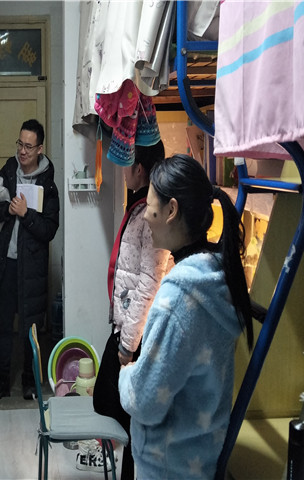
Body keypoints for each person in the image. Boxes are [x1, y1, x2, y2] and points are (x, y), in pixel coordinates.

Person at [118, 154, 253, 479]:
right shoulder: (215, 279)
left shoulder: (178, 297)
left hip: (166, 467)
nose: (146, 216)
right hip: (198, 459)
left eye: (151, 205)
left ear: (171, 210)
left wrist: (126, 374)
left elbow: (145, 401)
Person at [92, 140, 171, 479]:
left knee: (112, 403)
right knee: (113, 406)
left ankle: (130, 468)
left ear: (139, 169)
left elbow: (149, 284)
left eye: (127, 165)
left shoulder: (150, 214)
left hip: (135, 334)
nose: (123, 171)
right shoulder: (139, 207)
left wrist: (127, 343)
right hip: (124, 324)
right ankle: (126, 466)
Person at [0, 119, 60, 401]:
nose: (22, 151)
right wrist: (9, 209)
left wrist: (26, 214)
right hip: (6, 263)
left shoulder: (48, 184)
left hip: (32, 269)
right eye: (20, 144)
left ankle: (29, 381)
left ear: (40, 149)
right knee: (4, 326)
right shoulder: (8, 170)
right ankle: (2, 382)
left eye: (28, 146)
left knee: (31, 329)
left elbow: (49, 230)